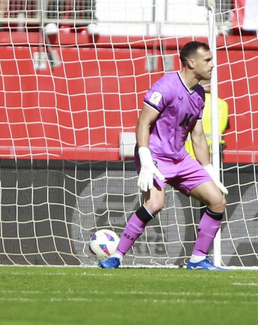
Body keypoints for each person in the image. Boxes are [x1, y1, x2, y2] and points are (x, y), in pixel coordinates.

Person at [97, 41, 230, 270]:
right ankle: (116, 256)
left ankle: (198, 259)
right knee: (155, 203)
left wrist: (208, 170)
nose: (212, 65)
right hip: (155, 156)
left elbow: (198, 136)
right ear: (191, 63)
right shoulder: (166, 86)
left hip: (180, 158)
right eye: (207, 60)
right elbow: (143, 123)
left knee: (218, 201)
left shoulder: (199, 94)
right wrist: (146, 161)